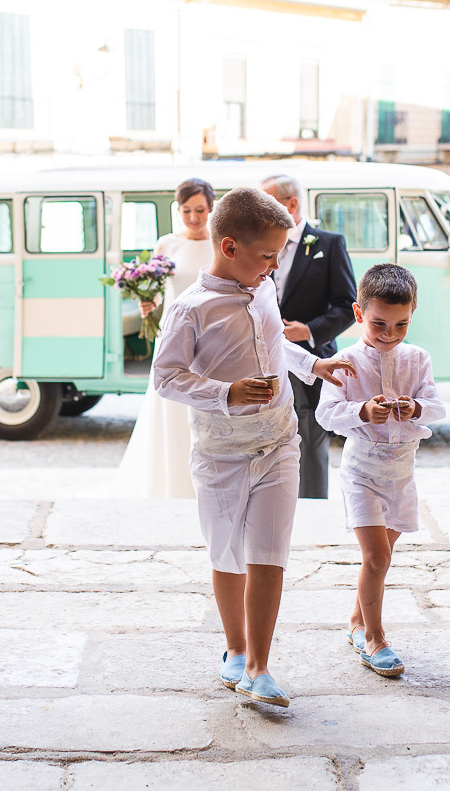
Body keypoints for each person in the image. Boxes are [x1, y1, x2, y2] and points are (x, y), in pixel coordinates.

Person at [152, 187, 356, 708]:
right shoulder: (190, 310)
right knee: (227, 555)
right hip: (221, 454)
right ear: (228, 247)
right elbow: (165, 378)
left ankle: (262, 666)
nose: (273, 265)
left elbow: (276, 343)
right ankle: (236, 650)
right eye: (267, 255)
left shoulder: (262, 289)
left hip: (278, 441)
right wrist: (226, 393)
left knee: (269, 553)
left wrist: (315, 365)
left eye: (278, 255)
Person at [315, 263, 445, 677]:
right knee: (375, 556)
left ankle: (356, 622)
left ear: (413, 315)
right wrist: (362, 411)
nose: (389, 334)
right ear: (358, 314)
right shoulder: (345, 361)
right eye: (379, 324)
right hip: (361, 472)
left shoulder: (418, 359)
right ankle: (376, 639)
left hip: (402, 474)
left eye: (401, 324)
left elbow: (438, 406)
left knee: (383, 557)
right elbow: (326, 415)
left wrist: (416, 407)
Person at [259, 174, 357, 499]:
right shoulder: (259, 243)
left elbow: (347, 306)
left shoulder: (328, 244)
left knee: (312, 441)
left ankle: (313, 509)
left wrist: (310, 330)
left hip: (313, 358)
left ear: (292, 204)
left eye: (268, 201)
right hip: (267, 359)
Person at [118, 178, 216, 498]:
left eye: (199, 209)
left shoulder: (220, 243)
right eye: (186, 210)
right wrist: (147, 302)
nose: (192, 217)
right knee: (169, 408)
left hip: (210, 339)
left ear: (211, 208)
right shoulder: (167, 243)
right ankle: (169, 482)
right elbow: (158, 292)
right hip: (173, 337)